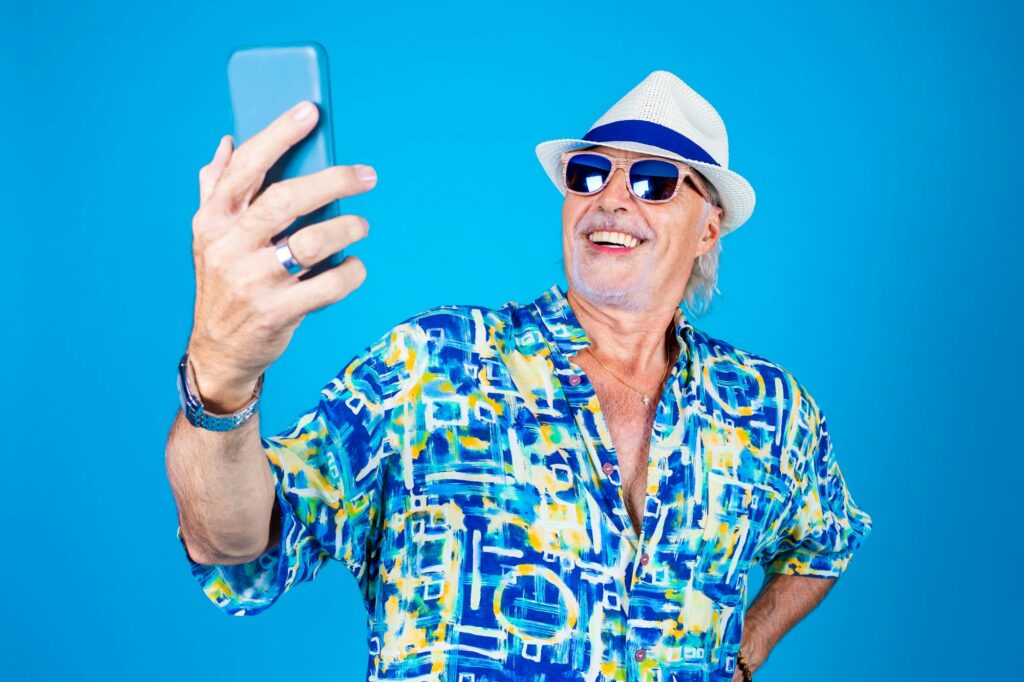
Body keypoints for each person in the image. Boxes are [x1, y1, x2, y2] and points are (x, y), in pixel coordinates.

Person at [165, 70, 872, 682]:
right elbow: (238, 544)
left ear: (709, 227)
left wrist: (749, 647)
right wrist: (221, 379)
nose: (613, 199)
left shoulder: (768, 410)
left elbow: (826, 538)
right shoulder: (434, 366)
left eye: (654, 181)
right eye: (590, 173)